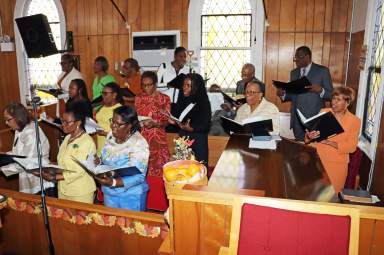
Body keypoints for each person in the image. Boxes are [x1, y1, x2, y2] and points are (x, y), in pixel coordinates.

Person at [304, 87, 360, 193]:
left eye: (338, 100)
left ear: (347, 102)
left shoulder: (355, 121)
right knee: (314, 195)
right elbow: (308, 138)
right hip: (318, 161)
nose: (334, 102)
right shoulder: (324, 112)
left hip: (337, 165)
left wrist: (329, 142)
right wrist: (309, 136)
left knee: (332, 196)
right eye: (333, 98)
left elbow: (351, 147)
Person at [94, 106, 149, 211]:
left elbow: (139, 176)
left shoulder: (138, 143)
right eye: (112, 121)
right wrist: (99, 162)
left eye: (118, 124)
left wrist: (113, 183)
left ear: (129, 126)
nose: (113, 126)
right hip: (109, 192)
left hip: (131, 196)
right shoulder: (111, 136)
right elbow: (107, 158)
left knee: (130, 226)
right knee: (112, 224)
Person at [42, 101, 97, 203]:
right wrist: (50, 167)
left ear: (79, 122)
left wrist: (55, 177)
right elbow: (63, 162)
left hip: (80, 192)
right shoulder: (67, 138)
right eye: (62, 121)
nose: (63, 125)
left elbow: (79, 170)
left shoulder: (87, 142)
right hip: (63, 189)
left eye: (67, 122)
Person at [277, 46, 333, 140]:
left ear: (307, 57)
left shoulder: (322, 71)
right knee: (299, 149)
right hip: (297, 120)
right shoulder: (294, 73)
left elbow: (331, 95)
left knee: (313, 150)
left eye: (299, 57)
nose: (296, 60)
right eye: (295, 57)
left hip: (314, 119)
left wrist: (320, 90)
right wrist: (283, 94)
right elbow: (293, 95)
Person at [135, 71, 170, 211]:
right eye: (144, 86)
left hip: (158, 138)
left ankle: (160, 205)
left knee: (159, 170)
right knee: (143, 168)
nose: (147, 88)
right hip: (142, 137)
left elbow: (166, 121)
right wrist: (141, 123)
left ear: (155, 85)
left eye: (149, 85)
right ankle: (146, 203)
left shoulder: (164, 98)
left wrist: (154, 123)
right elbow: (137, 117)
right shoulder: (138, 98)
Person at [1, 103, 54, 194]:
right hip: (27, 177)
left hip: (40, 181)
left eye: (8, 120)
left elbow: (27, 162)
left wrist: (2, 169)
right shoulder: (19, 130)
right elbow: (18, 153)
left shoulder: (32, 132)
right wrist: (4, 155)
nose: (6, 123)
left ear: (18, 118)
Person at [170, 73, 211, 165]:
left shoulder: (203, 102)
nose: (185, 87)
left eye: (189, 85)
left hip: (198, 140)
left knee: (198, 170)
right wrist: (172, 120)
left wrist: (192, 128)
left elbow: (206, 126)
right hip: (183, 138)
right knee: (181, 168)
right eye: (184, 84)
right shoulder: (182, 98)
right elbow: (178, 116)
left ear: (196, 87)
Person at [95, 82, 122, 155]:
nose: (103, 96)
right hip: (101, 146)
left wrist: (105, 134)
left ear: (114, 95)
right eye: (102, 93)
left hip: (112, 149)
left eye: (105, 93)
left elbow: (122, 134)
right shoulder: (102, 107)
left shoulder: (119, 109)